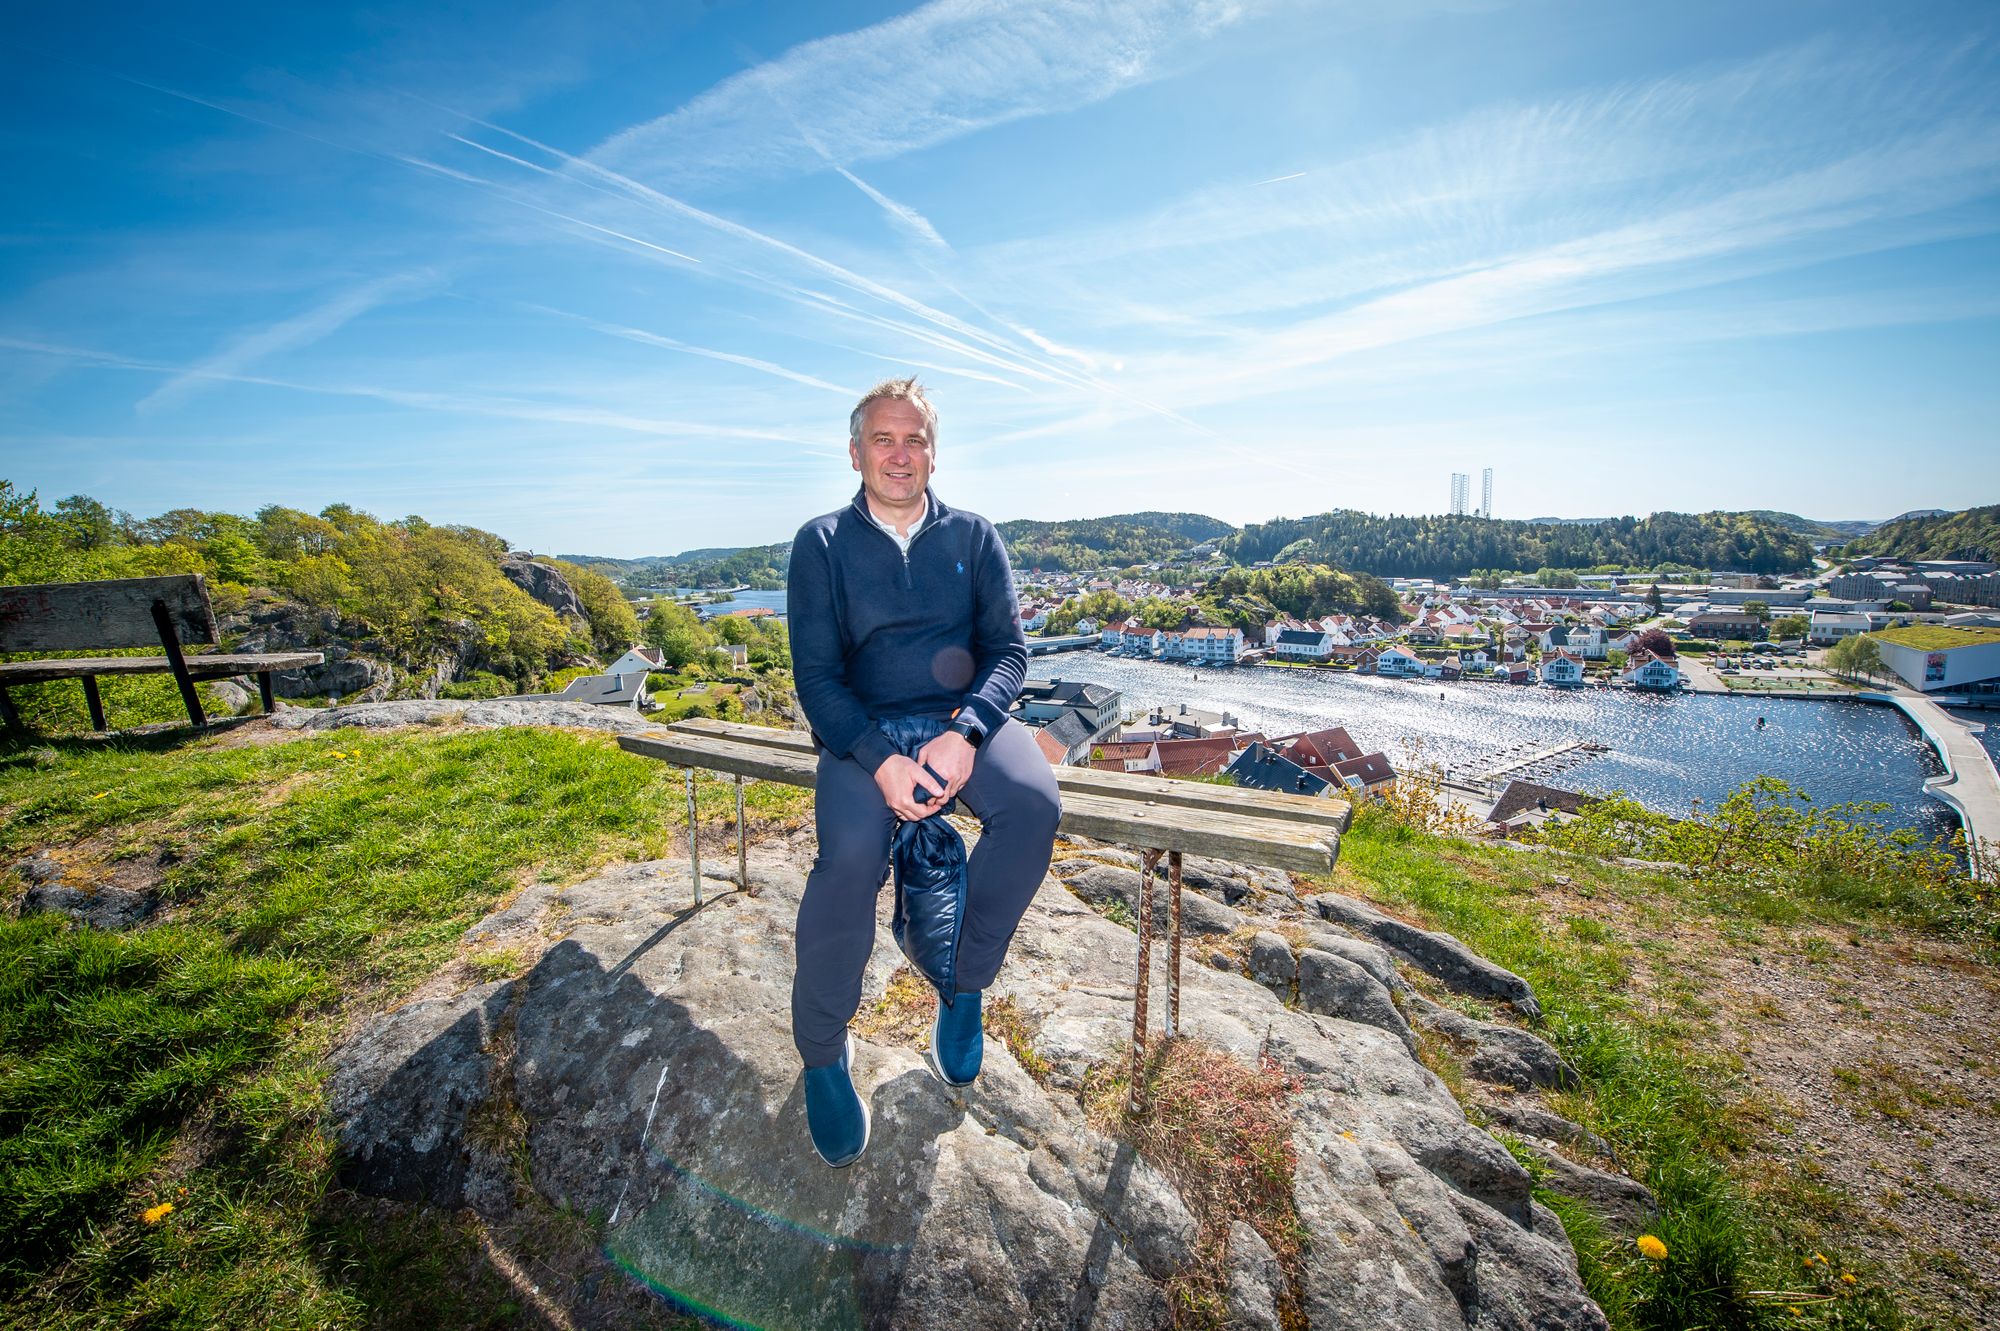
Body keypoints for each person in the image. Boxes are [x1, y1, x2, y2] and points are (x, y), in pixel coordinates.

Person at [786, 377, 1062, 1169]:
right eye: (884, 438)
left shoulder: (974, 535)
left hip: (959, 721)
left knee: (1033, 807)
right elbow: (817, 679)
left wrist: (966, 732)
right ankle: (823, 1051)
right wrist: (879, 759)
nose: (900, 454)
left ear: (934, 453)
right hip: (862, 732)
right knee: (847, 861)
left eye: (916, 439)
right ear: (856, 452)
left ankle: (961, 984)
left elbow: (1008, 652)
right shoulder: (822, 544)